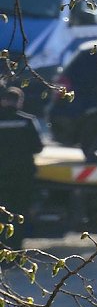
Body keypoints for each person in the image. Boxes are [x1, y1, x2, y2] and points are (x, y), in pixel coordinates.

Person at [0, 86, 43, 252]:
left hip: (2, 176)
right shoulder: (27, 121)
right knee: (19, 214)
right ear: (19, 102)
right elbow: (38, 147)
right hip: (22, 176)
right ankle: (15, 252)